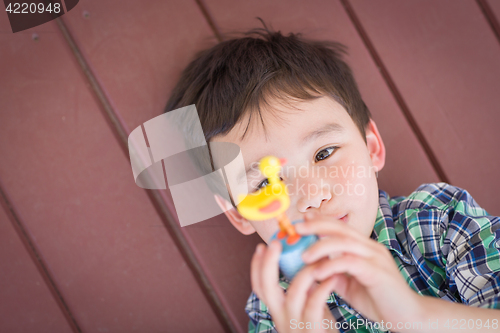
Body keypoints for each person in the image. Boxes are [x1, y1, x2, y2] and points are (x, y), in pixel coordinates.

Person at [164, 24, 500, 332]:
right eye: (265, 183)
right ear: (239, 213)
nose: (310, 196)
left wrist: (415, 316)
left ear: (372, 149)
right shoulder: (277, 312)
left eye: (324, 153)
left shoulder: (438, 220)